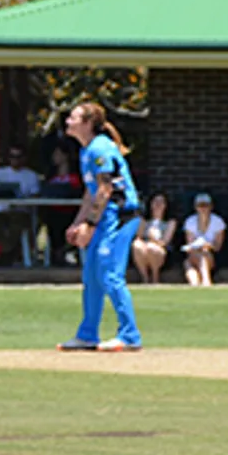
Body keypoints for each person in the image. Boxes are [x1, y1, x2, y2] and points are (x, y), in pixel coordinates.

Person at [58, 101, 143, 353]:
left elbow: (106, 190)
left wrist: (90, 226)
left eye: (73, 118)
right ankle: (87, 335)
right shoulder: (86, 151)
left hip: (121, 217)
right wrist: (78, 223)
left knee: (110, 276)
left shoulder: (99, 149)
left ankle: (129, 335)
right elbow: (91, 192)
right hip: (105, 218)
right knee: (92, 276)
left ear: (87, 123)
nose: (67, 121)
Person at [0, 145, 42, 263]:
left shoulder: (31, 176)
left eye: (18, 156)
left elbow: (35, 197)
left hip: (21, 213)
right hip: (1, 212)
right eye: (12, 156)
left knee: (16, 225)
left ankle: (7, 253)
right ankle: (7, 252)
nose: (15, 159)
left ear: (24, 158)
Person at [181, 193, 225, 286]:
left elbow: (218, 247)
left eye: (206, 205)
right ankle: (195, 284)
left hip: (212, 256)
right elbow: (190, 244)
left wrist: (208, 245)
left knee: (203, 255)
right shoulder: (190, 221)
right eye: (200, 206)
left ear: (211, 206)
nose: (203, 209)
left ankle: (206, 280)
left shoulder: (218, 221)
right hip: (194, 254)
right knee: (188, 263)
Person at [131, 193, 174, 283]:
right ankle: (145, 277)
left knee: (152, 247)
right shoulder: (144, 221)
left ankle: (155, 277)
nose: (158, 204)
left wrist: (154, 240)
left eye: (161, 202)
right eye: (155, 201)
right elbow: (139, 237)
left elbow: (165, 242)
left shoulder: (170, 222)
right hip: (144, 247)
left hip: (160, 249)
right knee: (136, 245)